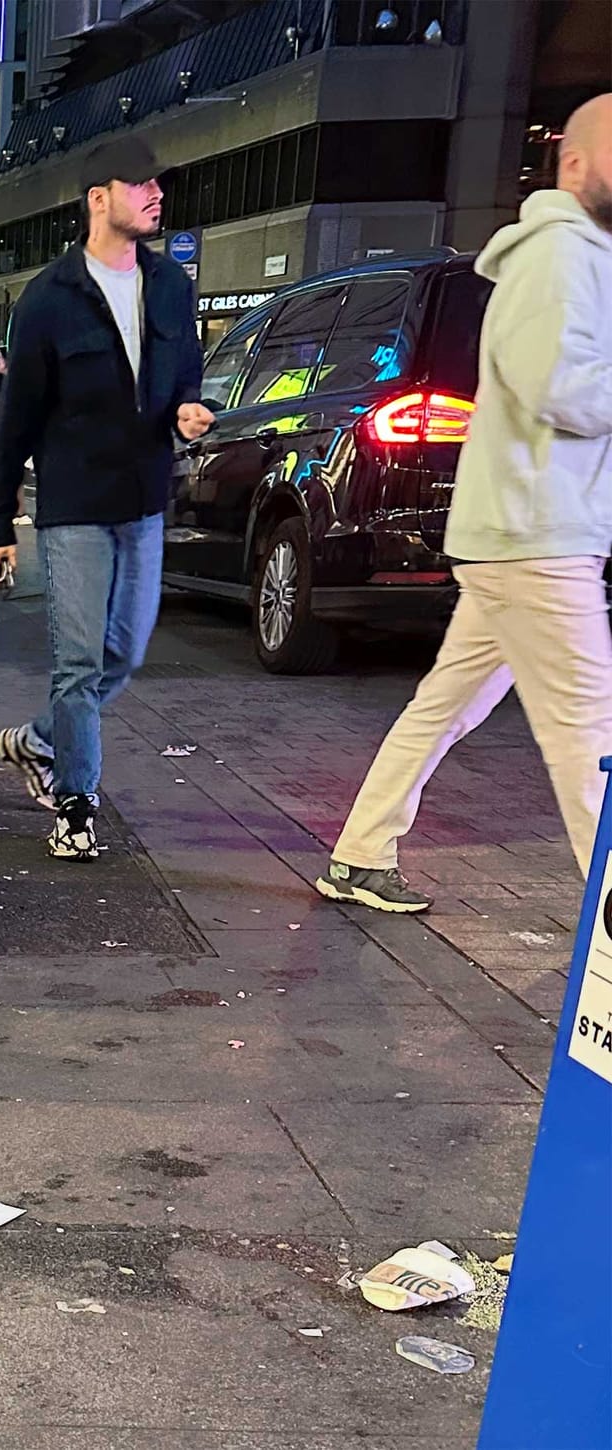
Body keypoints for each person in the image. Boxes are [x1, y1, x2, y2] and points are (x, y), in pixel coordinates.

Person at [317, 94, 612, 912]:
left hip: (521, 532)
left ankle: (358, 854)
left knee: (444, 706)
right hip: (538, 536)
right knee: (592, 738)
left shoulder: (575, 255)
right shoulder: (562, 256)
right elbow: (558, 384)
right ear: (576, 164)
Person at [0, 136, 212, 862]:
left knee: (125, 654)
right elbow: (16, 418)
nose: (155, 195)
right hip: (74, 506)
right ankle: (76, 803)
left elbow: (187, 372)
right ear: (98, 199)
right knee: (79, 662)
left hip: (143, 499)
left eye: (158, 184)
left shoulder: (171, 286)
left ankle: (38, 740)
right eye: (138, 184)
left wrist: (187, 407)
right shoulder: (51, 299)